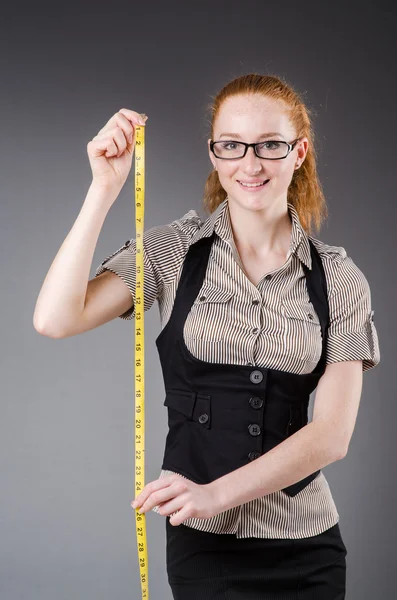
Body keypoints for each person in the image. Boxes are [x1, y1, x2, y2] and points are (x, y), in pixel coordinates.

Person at [34, 73, 380, 599]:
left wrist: (214, 494)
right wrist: (103, 190)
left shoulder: (339, 279)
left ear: (299, 152)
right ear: (214, 154)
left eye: (270, 144)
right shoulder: (175, 252)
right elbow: (55, 319)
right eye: (232, 145)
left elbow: (332, 435)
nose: (251, 163)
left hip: (307, 545)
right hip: (204, 548)